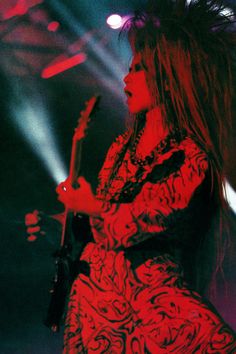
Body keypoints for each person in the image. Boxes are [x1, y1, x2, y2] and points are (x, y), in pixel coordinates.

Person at [57, 0, 236, 352]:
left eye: (138, 70)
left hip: (153, 312)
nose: (126, 77)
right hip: (96, 308)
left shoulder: (190, 155)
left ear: (168, 81)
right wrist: (57, 221)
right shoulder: (121, 147)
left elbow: (147, 218)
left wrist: (92, 206)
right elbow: (103, 231)